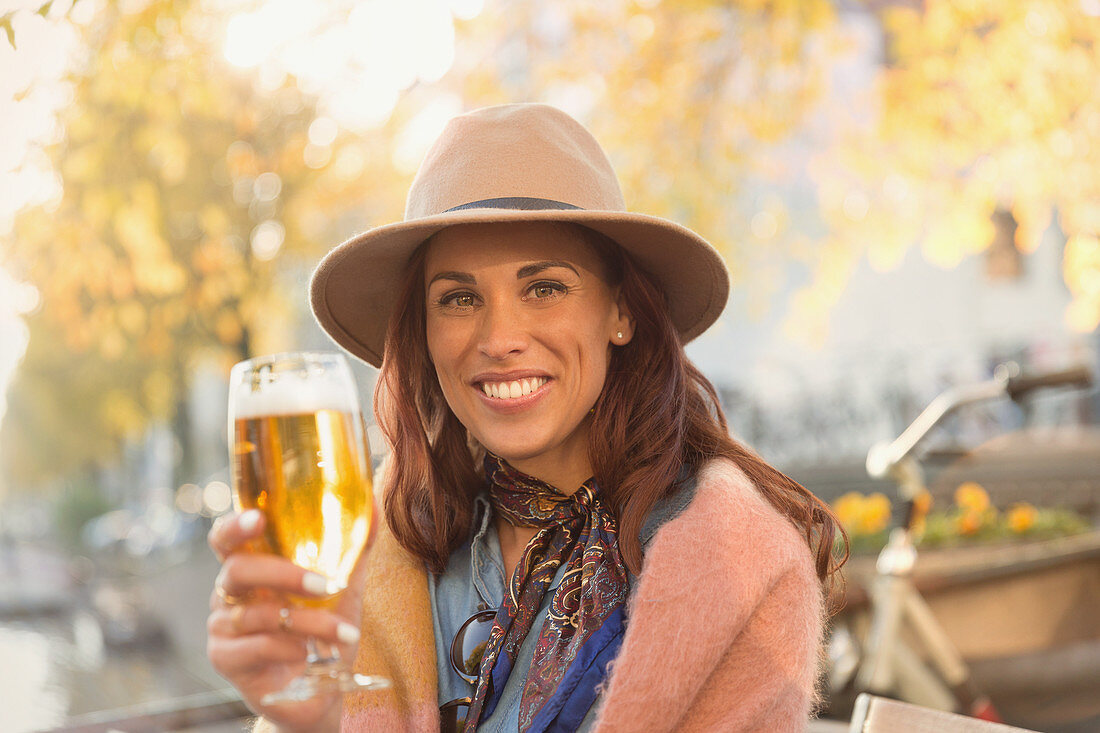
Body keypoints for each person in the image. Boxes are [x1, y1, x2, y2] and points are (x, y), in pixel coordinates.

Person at [207, 103, 846, 733]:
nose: (499, 337)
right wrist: (308, 722)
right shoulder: (384, 548)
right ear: (424, 337)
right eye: (459, 298)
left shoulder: (743, 574)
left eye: (544, 288)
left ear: (620, 313)